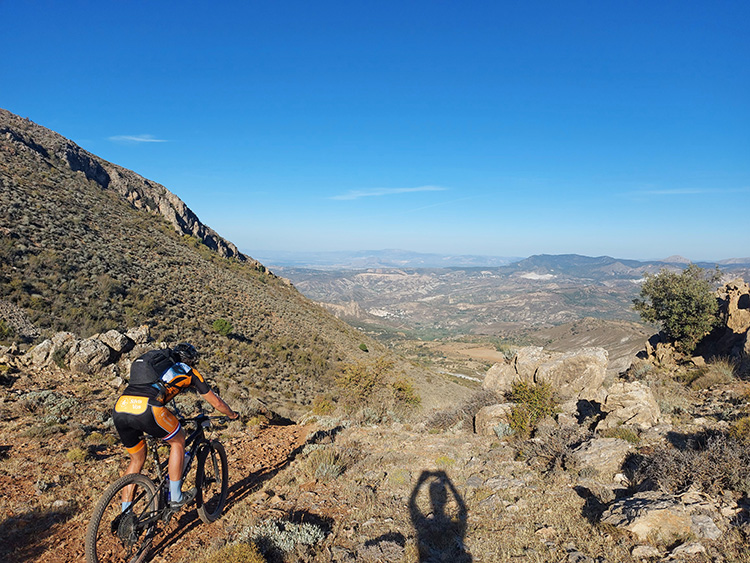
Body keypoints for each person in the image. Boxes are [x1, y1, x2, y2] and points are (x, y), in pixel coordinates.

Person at [112, 342, 239, 511]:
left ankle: (125, 513)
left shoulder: (158, 365)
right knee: (178, 439)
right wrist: (232, 414)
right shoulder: (188, 371)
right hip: (148, 408)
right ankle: (176, 496)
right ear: (191, 361)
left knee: (137, 459)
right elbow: (215, 401)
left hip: (121, 407)